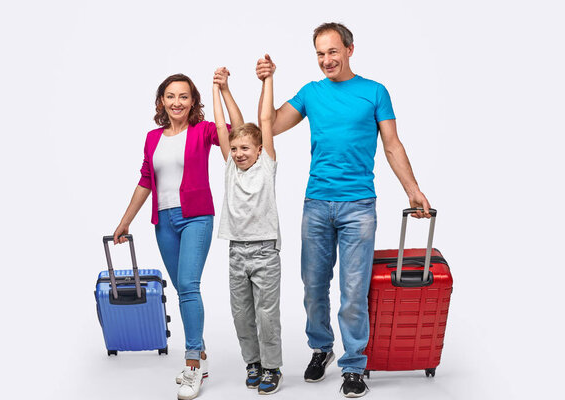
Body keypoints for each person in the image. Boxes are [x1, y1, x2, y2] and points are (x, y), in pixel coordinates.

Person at [255, 22, 432, 397]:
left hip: (358, 207)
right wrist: (267, 80)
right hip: (316, 204)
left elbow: (392, 145)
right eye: (320, 54)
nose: (326, 60)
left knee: (354, 290)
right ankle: (321, 348)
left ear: (350, 49)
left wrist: (413, 190)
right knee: (313, 286)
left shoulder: (375, 92)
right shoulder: (310, 93)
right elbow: (267, 125)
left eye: (332, 51)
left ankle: (354, 365)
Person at [112, 73, 243, 400]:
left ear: (193, 102)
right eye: (170, 96)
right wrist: (125, 221)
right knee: (184, 289)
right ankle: (202, 356)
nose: (177, 102)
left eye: (184, 96)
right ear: (161, 102)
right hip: (164, 222)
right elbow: (145, 180)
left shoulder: (203, 131)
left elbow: (238, 131)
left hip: (196, 217)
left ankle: (193, 364)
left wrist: (224, 91)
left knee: (188, 286)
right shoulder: (152, 137)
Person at [213, 67, 283, 395]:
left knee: (266, 315)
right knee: (241, 314)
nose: (240, 153)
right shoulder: (231, 168)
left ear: (258, 150)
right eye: (235, 148)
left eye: (246, 149)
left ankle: (271, 367)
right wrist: (221, 89)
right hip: (236, 251)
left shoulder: (266, 166)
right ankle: (252, 362)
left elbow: (264, 122)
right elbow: (224, 123)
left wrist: (268, 80)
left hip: (265, 250)